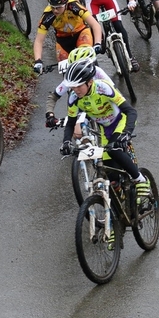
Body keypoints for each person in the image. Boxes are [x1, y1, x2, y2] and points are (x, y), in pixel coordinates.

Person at [59, 59, 151, 222]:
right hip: (105, 128)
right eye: (72, 87)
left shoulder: (103, 88)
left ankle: (140, 180)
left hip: (120, 121)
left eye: (78, 86)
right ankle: (118, 221)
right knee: (111, 176)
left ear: (89, 82)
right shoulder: (74, 97)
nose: (75, 90)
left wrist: (127, 133)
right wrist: (66, 142)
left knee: (114, 150)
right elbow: (71, 123)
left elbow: (130, 111)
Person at [42, 45, 113, 130]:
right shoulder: (72, 77)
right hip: (81, 105)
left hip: (100, 102)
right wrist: (50, 115)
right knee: (78, 133)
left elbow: (113, 91)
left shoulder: (98, 72)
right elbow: (53, 97)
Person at [33, 0, 102, 70]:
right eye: (52, 7)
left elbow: (95, 25)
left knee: (86, 59)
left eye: (58, 7)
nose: (55, 10)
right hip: (63, 40)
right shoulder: (47, 15)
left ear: (66, 4)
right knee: (67, 72)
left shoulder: (74, 6)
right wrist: (38, 61)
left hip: (80, 33)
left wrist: (98, 43)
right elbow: (39, 41)